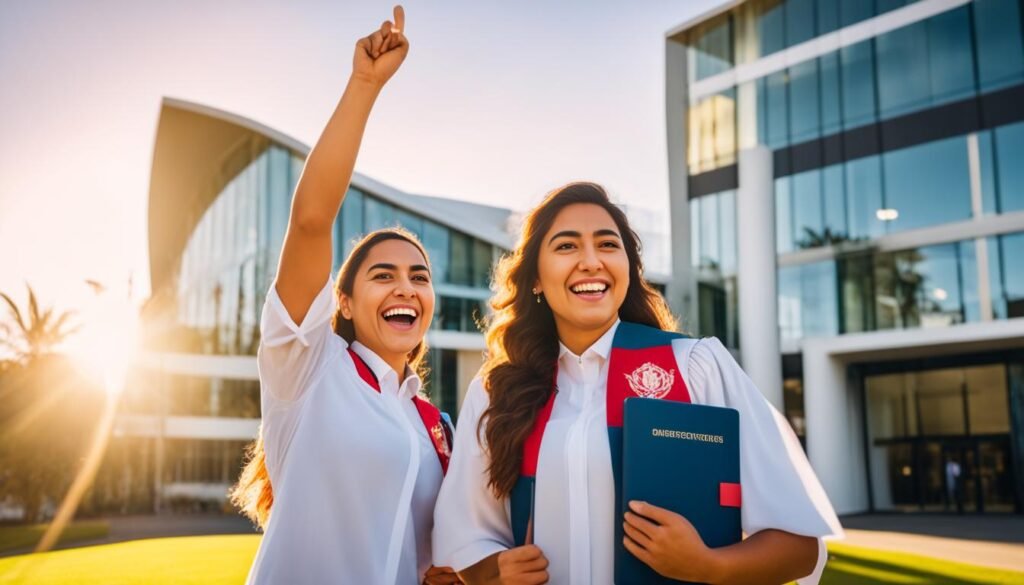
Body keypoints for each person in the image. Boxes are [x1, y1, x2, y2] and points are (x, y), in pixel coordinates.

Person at [432, 182, 843, 584]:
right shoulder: (497, 392)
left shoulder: (694, 366)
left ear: (628, 269)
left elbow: (800, 546)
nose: (591, 261)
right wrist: (497, 573)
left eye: (608, 245)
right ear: (535, 278)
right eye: (566, 246)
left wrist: (708, 567)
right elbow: (466, 540)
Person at [230, 7, 460, 584]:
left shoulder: (438, 427)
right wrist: (364, 86)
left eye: (419, 276)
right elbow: (311, 221)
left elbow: (431, 566)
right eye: (383, 275)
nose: (405, 286)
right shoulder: (308, 367)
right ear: (346, 303)